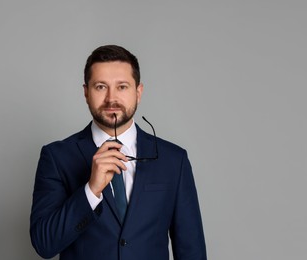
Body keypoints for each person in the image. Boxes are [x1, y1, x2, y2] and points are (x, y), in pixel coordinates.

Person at [30, 45, 207, 259]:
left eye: (122, 87)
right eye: (101, 87)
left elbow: (192, 251)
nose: (111, 99)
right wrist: (91, 190)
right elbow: (44, 244)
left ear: (138, 92)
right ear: (86, 92)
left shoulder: (174, 160)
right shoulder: (56, 157)